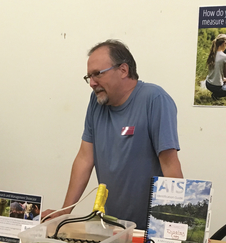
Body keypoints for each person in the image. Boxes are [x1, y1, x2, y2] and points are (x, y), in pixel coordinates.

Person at [43, 39, 183, 230]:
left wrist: (181, 224)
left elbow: (170, 164)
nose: (92, 83)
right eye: (89, 77)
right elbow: (85, 158)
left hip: (151, 229)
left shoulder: (155, 99)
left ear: (123, 70)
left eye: (97, 74)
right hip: (113, 228)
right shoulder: (97, 102)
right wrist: (65, 211)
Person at [205, 34, 226, 99]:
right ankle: (216, 95)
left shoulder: (212, 54)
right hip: (217, 87)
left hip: (208, 84)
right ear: (224, 43)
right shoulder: (224, 57)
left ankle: (216, 93)